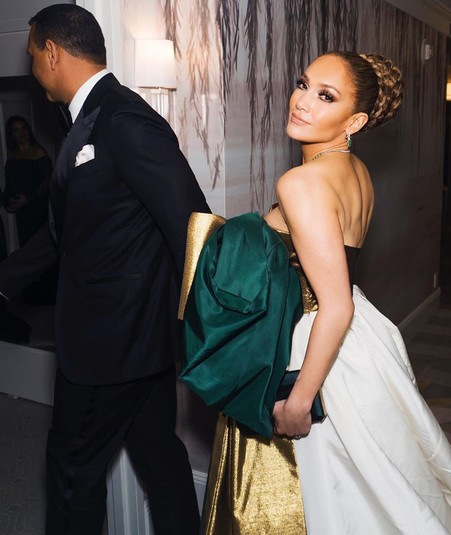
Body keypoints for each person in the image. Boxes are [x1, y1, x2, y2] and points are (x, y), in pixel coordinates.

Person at [183, 52, 451, 533]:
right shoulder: (356, 171)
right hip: (359, 336)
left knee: (304, 494)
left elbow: (335, 304)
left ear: (355, 121)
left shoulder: (301, 183)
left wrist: (299, 401)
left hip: (309, 340)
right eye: (303, 84)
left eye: (325, 96)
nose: (302, 101)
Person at [0, 4, 210, 534]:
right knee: (159, 455)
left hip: (111, 343)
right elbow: (63, 232)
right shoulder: (84, 122)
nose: (32, 67)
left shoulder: (124, 119)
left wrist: (212, 331)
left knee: (72, 471)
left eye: (32, 55)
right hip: (131, 341)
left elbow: (191, 226)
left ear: (52, 53)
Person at [3, 115, 52, 246]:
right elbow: (10, 180)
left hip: (38, 207)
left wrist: (29, 198)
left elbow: (48, 181)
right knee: (26, 245)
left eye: (23, 128)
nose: (21, 133)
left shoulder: (38, 151)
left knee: (40, 245)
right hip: (22, 210)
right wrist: (9, 200)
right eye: (16, 130)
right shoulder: (12, 154)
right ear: (11, 134)